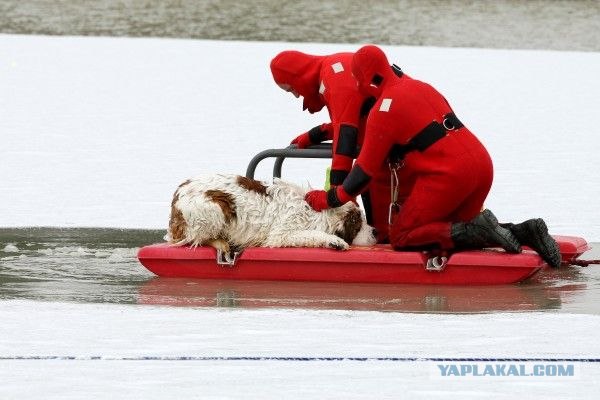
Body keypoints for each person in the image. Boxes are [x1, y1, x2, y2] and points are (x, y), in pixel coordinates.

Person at [304, 44, 561, 268]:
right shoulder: (420, 87)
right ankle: (524, 231)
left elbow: (362, 174)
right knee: (446, 226)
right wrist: (318, 132)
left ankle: (479, 230)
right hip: (482, 164)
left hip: (449, 175)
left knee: (403, 235)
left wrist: (328, 198)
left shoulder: (383, 109)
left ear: (364, 80)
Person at [270, 50, 413, 243]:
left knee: (387, 227)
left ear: (298, 77)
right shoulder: (334, 68)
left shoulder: (335, 78)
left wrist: (336, 198)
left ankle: (390, 261)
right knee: (380, 215)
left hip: (400, 153)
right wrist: (314, 135)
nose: (295, 95)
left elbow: (346, 137)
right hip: (393, 144)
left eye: (290, 89)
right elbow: (355, 120)